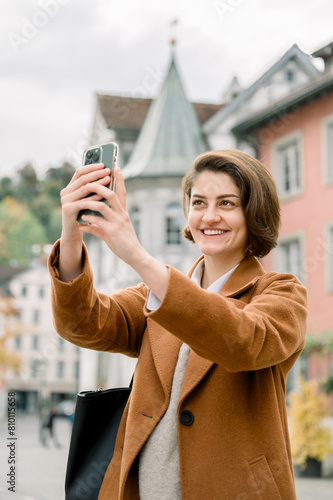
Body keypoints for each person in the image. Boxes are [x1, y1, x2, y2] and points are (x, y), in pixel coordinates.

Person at [48, 149, 307, 500]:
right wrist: (72, 230)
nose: (209, 216)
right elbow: (81, 323)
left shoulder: (281, 292)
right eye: (199, 202)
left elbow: (244, 341)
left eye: (227, 203)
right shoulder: (153, 295)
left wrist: (136, 254)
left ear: (253, 213)